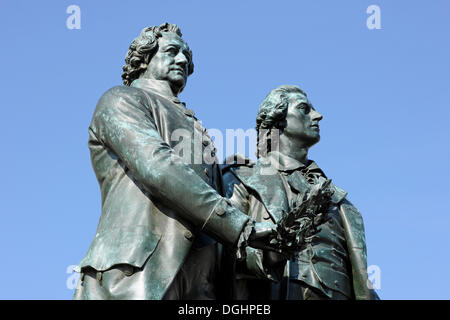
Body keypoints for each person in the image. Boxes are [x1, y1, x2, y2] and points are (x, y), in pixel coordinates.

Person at [73, 23, 274, 300]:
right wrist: (239, 225)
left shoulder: (196, 128)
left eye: (187, 56)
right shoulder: (121, 99)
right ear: (144, 58)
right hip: (139, 272)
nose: (183, 60)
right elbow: (158, 166)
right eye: (172, 51)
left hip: (202, 282)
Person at [221, 85, 379, 300]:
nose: (318, 115)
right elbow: (223, 247)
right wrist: (267, 257)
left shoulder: (339, 199)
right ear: (278, 120)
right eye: (305, 109)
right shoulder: (243, 176)